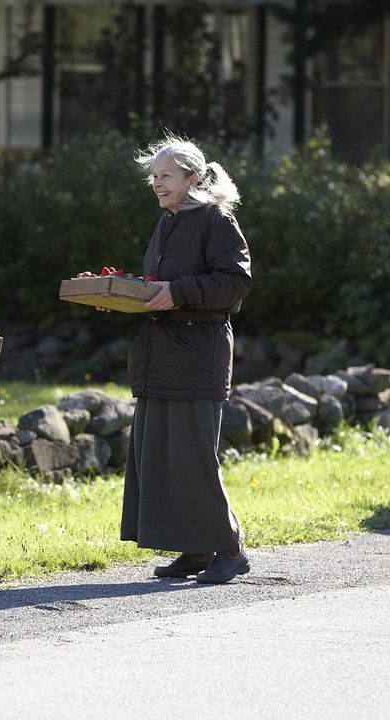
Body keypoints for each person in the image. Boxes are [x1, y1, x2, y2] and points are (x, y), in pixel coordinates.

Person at [120, 133, 253, 584]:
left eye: (166, 176)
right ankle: (196, 550)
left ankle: (231, 549)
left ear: (193, 178)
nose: (157, 184)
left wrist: (176, 293)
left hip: (199, 358)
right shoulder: (168, 222)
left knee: (194, 459)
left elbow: (234, 284)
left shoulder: (216, 220)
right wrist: (121, 297)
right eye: (154, 176)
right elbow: (159, 289)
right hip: (161, 358)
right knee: (160, 456)